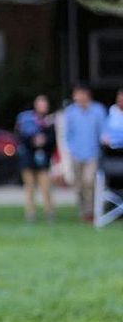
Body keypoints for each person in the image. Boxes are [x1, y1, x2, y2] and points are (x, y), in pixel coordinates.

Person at [63, 84, 107, 221]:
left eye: (78, 94)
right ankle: (83, 212)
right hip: (76, 154)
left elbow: (103, 130)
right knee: (79, 186)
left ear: (86, 95)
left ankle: (92, 211)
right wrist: (70, 148)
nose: (75, 97)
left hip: (92, 154)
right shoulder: (71, 111)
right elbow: (68, 133)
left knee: (89, 182)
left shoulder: (98, 110)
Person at [15, 95, 57, 222]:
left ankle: (50, 213)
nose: (43, 106)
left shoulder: (50, 122)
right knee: (30, 187)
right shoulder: (26, 119)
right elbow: (20, 137)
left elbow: (53, 141)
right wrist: (33, 141)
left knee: (46, 188)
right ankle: (30, 214)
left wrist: (44, 141)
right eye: (40, 103)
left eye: (45, 104)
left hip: (43, 160)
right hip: (28, 159)